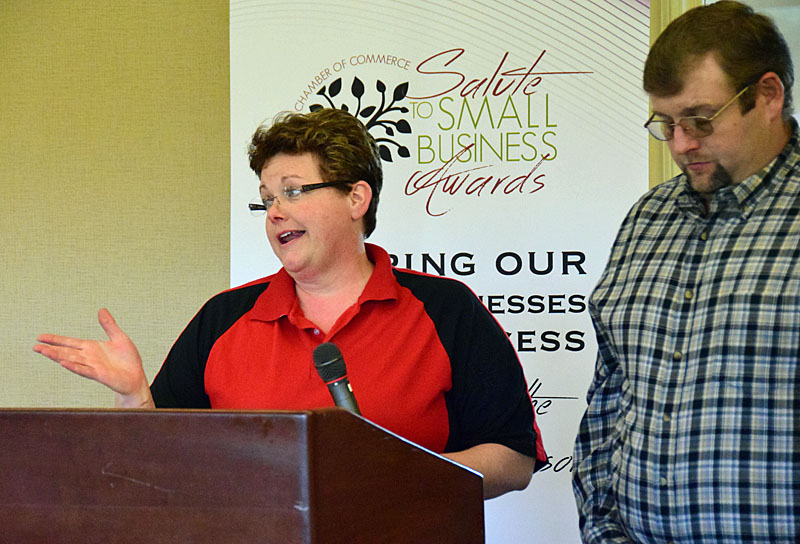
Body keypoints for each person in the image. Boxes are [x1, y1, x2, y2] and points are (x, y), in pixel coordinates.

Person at [34, 107, 546, 499]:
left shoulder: (446, 309)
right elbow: (160, 463)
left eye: (294, 191)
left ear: (356, 199)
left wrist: (401, 478)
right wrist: (133, 396)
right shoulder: (223, 319)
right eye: (267, 198)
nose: (275, 212)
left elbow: (514, 459)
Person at [572, 1, 798, 542]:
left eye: (700, 120)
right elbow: (610, 397)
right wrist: (603, 527)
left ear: (768, 95)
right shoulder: (647, 219)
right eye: (665, 124)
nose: (681, 144)